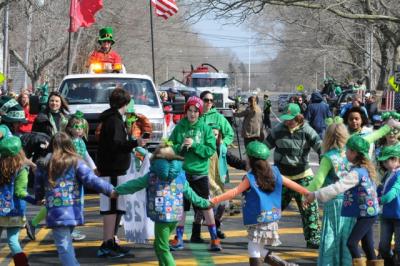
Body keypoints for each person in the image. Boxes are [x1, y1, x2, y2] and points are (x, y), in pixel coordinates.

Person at [211, 141, 307, 266]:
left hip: (258, 219)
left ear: (250, 160)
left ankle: (285, 265)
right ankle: (285, 265)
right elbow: (291, 184)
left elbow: (234, 192)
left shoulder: (250, 177)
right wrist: (307, 193)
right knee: (258, 248)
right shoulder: (275, 172)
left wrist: (214, 200)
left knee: (253, 248)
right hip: (271, 218)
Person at [114, 142, 211, 266]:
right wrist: (205, 202)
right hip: (175, 216)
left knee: (163, 247)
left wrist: (117, 190)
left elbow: (134, 184)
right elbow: (191, 194)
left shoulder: (152, 176)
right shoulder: (180, 176)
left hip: (161, 217)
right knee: (159, 245)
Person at [34, 132, 116, 266]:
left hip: (55, 212)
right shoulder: (76, 161)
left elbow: (37, 184)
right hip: (73, 210)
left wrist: (38, 197)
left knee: (64, 246)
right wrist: (109, 190)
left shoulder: (44, 163)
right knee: (66, 244)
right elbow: (91, 179)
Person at [306, 135, 381, 265]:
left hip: (366, 215)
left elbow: (337, 188)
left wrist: (315, 195)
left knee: (351, 243)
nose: (344, 152)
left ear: (354, 153)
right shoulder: (364, 169)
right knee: (368, 246)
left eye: (347, 150)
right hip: (368, 213)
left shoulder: (356, 173)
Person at [265, 103, 321, 249]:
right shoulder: (277, 130)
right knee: (272, 209)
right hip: (282, 178)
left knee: (310, 211)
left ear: (299, 117)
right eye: (286, 119)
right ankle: (265, 235)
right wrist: (255, 158)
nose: (288, 122)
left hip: (303, 177)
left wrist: (327, 160)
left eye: (291, 119)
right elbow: (264, 147)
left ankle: (313, 239)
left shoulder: (307, 131)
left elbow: (320, 146)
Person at [168, 96, 221, 251]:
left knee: (205, 205)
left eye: (195, 111)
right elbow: (170, 145)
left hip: (199, 174)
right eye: (190, 111)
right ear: (186, 111)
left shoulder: (204, 128)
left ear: (199, 112)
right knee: (181, 207)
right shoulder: (180, 126)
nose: (192, 114)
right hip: (182, 173)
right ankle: (178, 239)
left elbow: (210, 150)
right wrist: (180, 146)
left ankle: (214, 238)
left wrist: (195, 145)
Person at [96, 88, 140, 258]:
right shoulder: (114, 121)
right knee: (111, 208)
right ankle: (107, 244)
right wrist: (135, 142)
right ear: (125, 103)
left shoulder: (113, 119)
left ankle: (111, 241)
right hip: (112, 171)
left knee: (115, 208)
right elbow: (117, 145)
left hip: (114, 170)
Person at [0, 137, 36, 266]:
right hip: (15, 211)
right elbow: (20, 192)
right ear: (20, 151)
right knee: (13, 241)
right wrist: (35, 200)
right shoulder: (21, 169)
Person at [377, 145, 400, 265]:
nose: (384, 163)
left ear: (396, 159)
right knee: (384, 248)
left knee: (399, 249)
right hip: (386, 215)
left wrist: (380, 200)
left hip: (398, 216)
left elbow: (394, 191)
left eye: (387, 161)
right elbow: (380, 188)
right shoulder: (388, 173)